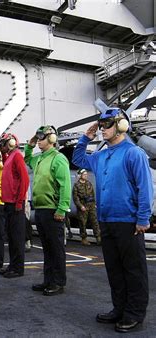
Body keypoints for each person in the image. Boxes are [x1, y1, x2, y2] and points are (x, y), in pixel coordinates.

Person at [72, 108, 153, 333]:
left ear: (121, 126)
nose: (102, 129)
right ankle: (119, 309)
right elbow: (78, 159)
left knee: (133, 270)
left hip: (127, 221)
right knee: (114, 270)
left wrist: (143, 217)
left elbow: (145, 188)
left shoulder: (133, 153)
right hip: (106, 220)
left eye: (106, 124)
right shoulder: (101, 155)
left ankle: (135, 314)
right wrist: (85, 138)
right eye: (101, 125)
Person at [24, 125, 71, 296]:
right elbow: (26, 159)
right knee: (47, 248)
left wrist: (62, 209)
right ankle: (48, 280)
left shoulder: (58, 159)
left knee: (56, 248)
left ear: (51, 139)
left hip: (53, 210)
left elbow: (65, 185)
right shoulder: (40, 158)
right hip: (42, 210)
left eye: (42, 138)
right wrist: (29, 145)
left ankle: (58, 282)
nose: (39, 141)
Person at [0, 133, 30, 278]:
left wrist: (19, 201)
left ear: (10, 143)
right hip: (9, 202)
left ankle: (18, 268)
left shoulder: (17, 156)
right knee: (11, 237)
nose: (2, 146)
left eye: (4, 143)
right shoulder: (11, 156)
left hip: (16, 203)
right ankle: (12, 265)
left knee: (17, 237)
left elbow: (24, 179)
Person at [72, 168, 101, 246]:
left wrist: (94, 204)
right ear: (80, 175)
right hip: (83, 206)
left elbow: (92, 194)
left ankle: (98, 238)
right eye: (84, 174)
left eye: (86, 174)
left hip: (91, 205)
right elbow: (75, 198)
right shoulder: (76, 185)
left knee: (94, 221)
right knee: (82, 223)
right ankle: (84, 238)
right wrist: (80, 206)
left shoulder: (89, 183)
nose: (86, 176)